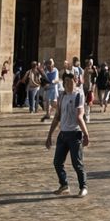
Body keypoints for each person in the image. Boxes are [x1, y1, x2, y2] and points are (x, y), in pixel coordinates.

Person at [46, 68, 89, 196]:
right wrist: (49, 135)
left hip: (75, 134)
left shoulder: (78, 95)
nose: (69, 84)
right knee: (57, 162)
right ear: (63, 83)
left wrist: (86, 134)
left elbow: (79, 116)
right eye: (66, 82)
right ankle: (64, 185)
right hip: (63, 134)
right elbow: (57, 116)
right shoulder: (62, 96)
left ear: (75, 82)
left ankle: (83, 186)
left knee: (77, 163)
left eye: (71, 82)